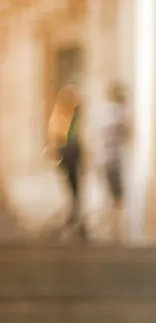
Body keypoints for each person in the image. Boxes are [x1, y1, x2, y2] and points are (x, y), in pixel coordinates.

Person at [47, 84, 87, 241]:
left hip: (71, 152)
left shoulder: (71, 114)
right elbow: (57, 135)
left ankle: (74, 216)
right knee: (73, 187)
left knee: (74, 187)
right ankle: (74, 216)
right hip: (69, 152)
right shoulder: (65, 114)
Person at [99, 81, 129, 243]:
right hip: (113, 160)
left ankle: (112, 230)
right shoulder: (118, 113)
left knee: (111, 196)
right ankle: (115, 231)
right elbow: (125, 134)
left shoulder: (105, 112)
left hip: (105, 159)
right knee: (117, 198)